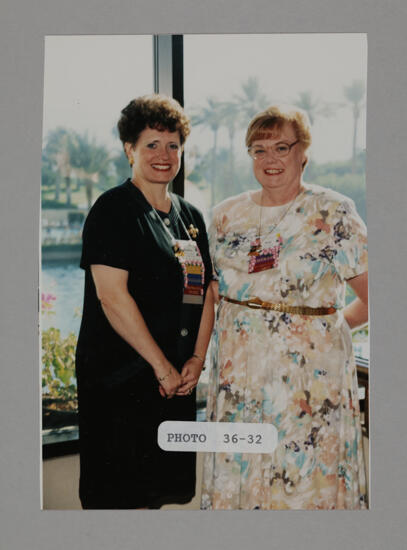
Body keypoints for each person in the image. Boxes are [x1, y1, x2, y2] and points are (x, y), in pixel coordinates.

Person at [201, 104, 368, 510]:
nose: (270, 159)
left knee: (302, 485)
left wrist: (322, 332)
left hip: (310, 383)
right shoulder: (226, 215)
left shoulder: (333, 212)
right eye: (259, 149)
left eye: (281, 147)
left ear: (303, 152)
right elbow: (210, 294)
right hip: (237, 379)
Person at [75, 94, 214, 509]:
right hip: (123, 381)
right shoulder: (112, 210)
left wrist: (196, 360)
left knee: (158, 496)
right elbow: (112, 298)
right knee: (121, 500)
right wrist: (162, 367)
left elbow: (205, 291)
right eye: (152, 144)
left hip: (175, 381)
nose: (164, 154)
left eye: (173, 145)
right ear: (129, 150)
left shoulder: (189, 217)